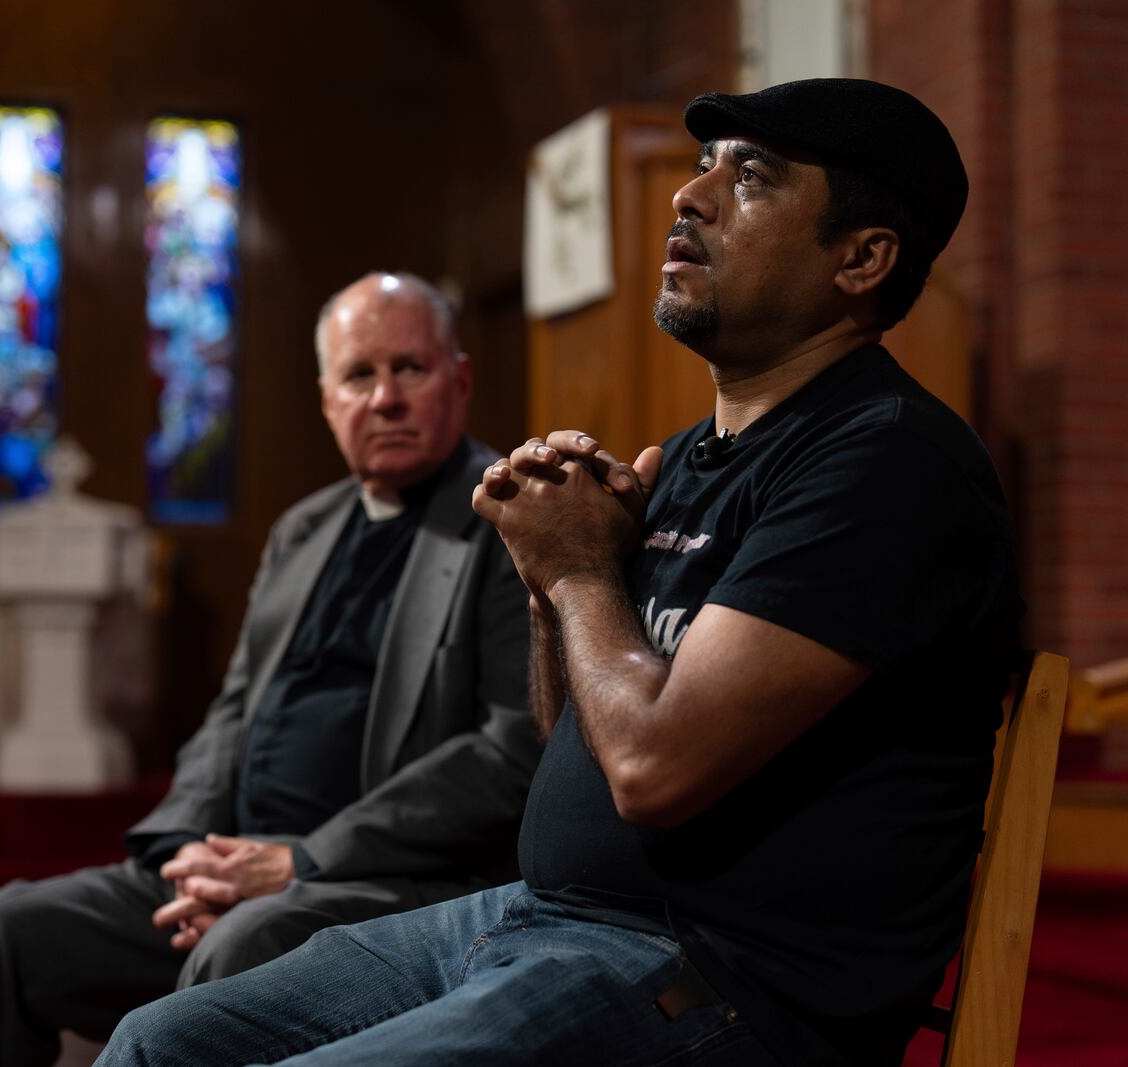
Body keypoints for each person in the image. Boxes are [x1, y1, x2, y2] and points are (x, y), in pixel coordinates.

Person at [96, 78, 1023, 1067]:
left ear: (861, 257)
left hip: (721, 983)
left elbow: (654, 769)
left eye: (749, 177)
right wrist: (546, 587)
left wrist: (580, 569)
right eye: (703, 164)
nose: (689, 195)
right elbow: (575, 734)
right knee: (158, 1040)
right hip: (544, 918)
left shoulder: (885, 463)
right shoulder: (686, 456)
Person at [0, 272, 538, 1067]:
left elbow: (511, 748)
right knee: (1, 933)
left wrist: (301, 861)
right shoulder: (302, 530)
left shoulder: (507, 519)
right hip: (238, 860)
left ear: (460, 379)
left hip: (381, 880)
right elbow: (236, 707)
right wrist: (186, 852)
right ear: (326, 399)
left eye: (409, 369)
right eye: (359, 374)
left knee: (240, 950)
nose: (384, 398)